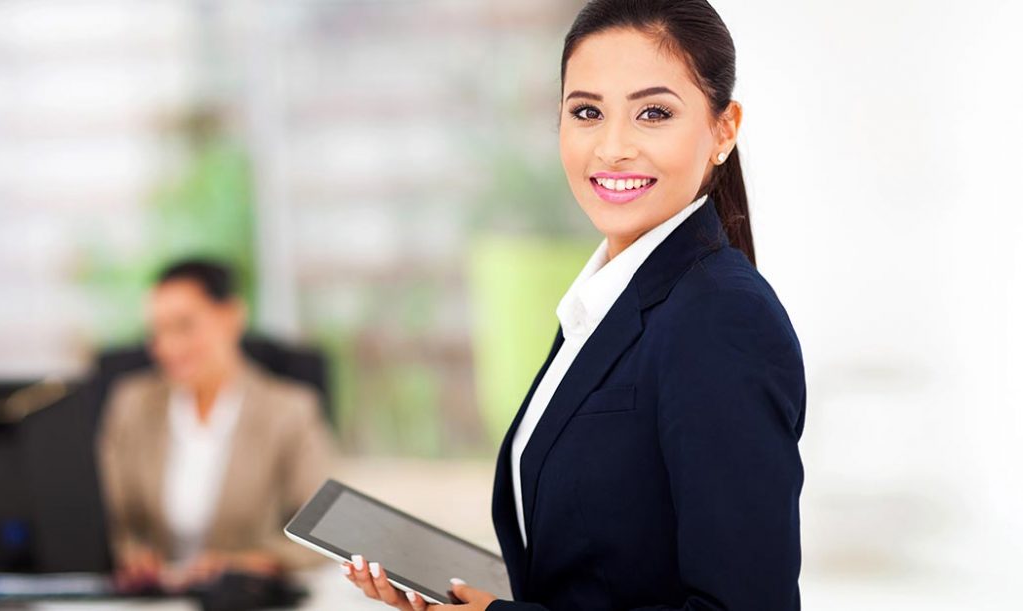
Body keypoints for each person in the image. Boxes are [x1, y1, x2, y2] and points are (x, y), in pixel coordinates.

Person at [341, 0, 806, 609]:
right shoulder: (608, 303)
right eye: (587, 111)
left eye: (653, 113)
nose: (612, 148)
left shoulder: (720, 319)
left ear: (724, 130)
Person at [97, 259, 334, 592]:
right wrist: (132, 555)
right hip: (156, 601)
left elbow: (323, 531)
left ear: (232, 317)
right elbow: (110, 516)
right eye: (157, 331)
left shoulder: (290, 411)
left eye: (184, 326)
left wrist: (254, 563)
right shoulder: (131, 404)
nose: (168, 347)